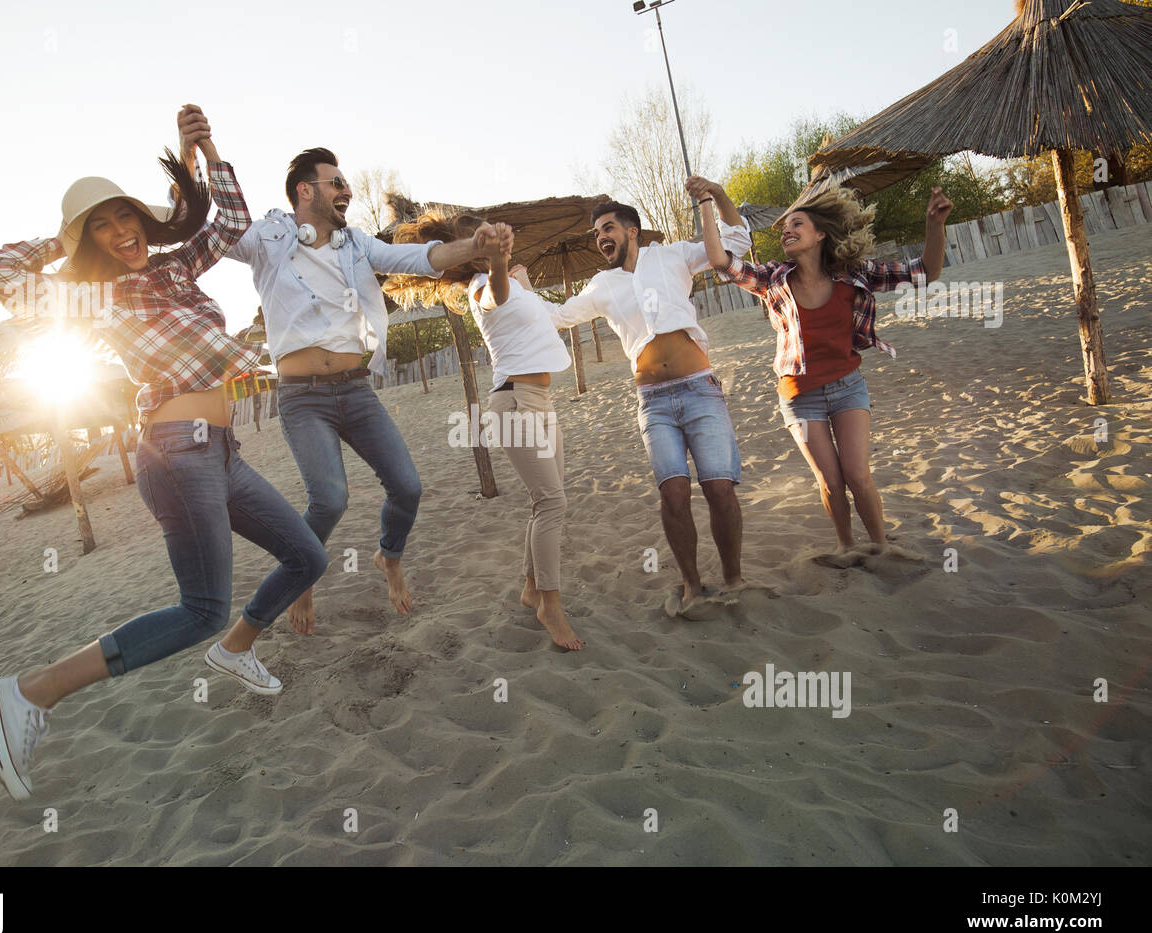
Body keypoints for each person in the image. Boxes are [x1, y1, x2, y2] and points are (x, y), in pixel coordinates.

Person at [0, 106, 328, 800]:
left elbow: (225, 223)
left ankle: (235, 652)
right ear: (86, 243)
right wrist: (65, 239)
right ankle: (29, 693)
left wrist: (206, 148)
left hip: (223, 453)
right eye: (100, 226)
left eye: (123, 214)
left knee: (307, 554)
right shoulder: (91, 298)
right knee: (201, 607)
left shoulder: (171, 270)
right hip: (175, 453)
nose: (119, 230)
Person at [223, 147, 506, 635]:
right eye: (335, 182)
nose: (346, 190)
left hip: (355, 391)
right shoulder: (266, 240)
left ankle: (388, 557)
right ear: (304, 191)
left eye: (345, 183)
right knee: (330, 500)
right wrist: (196, 162)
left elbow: (420, 257)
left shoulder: (356, 244)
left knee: (408, 486)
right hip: (301, 397)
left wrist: (475, 247)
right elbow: (213, 234)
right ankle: (304, 575)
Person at [694, 175, 953, 562]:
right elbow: (721, 261)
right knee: (830, 480)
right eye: (784, 227)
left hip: (848, 387)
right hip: (800, 398)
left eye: (797, 224)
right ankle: (846, 545)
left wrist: (935, 226)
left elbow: (924, 272)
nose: (787, 231)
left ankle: (881, 544)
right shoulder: (772, 280)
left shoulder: (855, 274)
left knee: (857, 475)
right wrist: (708, 200)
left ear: (820, 236)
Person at [544, 187, 753, 619]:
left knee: (719, 488)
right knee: (673, 493)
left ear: (631, 231)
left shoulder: (673, 255)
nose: (600, 237)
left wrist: (715, 194)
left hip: (699, 389)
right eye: (596, 233)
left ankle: (734, 578)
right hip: (653, 402)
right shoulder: (602, 285)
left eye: (607, 228)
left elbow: (735, 242)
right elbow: (558, 316)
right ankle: (693, 584)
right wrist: (514, 287)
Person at [388, 213, 583, 650]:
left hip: (540, 400)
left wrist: (522, 278)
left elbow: (537, 319)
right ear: (472, 248)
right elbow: (497, 293)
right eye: (485, 235)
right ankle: (549, 605)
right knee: (552, 503)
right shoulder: (480, 287)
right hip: (514, 403)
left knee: (546, 502)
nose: (495, 235)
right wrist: (498, 264)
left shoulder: (512, 283)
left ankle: (532, 587)